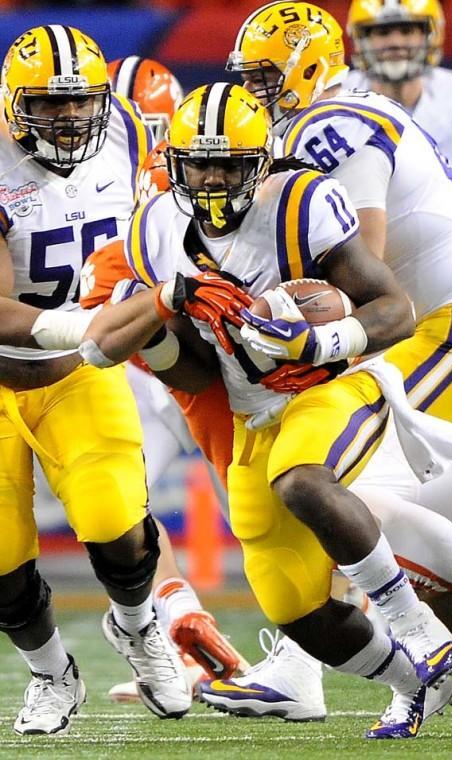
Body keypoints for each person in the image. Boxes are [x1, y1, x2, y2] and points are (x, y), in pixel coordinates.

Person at [70, 81, 452, 740]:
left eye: (228, 163)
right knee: (294, 608)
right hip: (249, 406)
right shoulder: (157, 231)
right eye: (198, 162)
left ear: (260, 161)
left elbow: (392, 308)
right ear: (174, 163)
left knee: (301, 480)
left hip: (330, 383)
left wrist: (318, 340)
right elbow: (140, 359)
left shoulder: (302, 202)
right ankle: (412, 682)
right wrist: (166, 320)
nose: (210, 177)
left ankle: (419, 631)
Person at [226, 0, 452, 601]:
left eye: (264, 74)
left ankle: (302, 662)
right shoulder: (340, 111)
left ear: (308, 68)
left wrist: (295, 319)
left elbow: (364, 249)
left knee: (335, 471)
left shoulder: (327, 122)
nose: (251, 88)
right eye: (247, 75)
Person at [0, 25, 192, 736]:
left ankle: (140, 629)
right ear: (15, 104)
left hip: (81, 371)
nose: (69, 117)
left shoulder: (134, 142)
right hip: (20, 364)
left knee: (114, 515)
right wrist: (85, 325)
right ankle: (52, 674)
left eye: (80, 101)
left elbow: (170, 235)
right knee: (1, 557)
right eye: (49, 105)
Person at [99, 61, 251, 699]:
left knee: (264, 509)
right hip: (149, 360)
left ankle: (352, 633)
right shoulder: (80, 177)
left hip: (207, 366)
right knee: (116, 504)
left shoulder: (207, 177)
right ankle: (178, 619)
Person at [345, 0, 452, 264]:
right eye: (382, 32)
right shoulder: (336, 102)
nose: (395, 42)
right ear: (360, 38)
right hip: (365, 260)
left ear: (430, 33)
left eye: (407, 31)